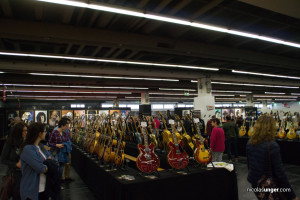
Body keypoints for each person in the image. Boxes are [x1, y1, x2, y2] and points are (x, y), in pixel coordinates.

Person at [247, 115, 298, 200]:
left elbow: (249, 164)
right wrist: (292, 195)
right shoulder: (272, 145)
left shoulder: (249, 142)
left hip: (255, 182)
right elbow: (280, 173)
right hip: (268, 184)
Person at [19, 122, 53, 200]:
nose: (45, 133)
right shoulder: (28, 149)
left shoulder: (41, 146)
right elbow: (40, 168)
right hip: (31, 190)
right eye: (44, 131)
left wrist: (46, 165)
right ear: (39, 133)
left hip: (43, 189)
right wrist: (48, 166)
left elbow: (52, 159)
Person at [1, 122, 28, 200]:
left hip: (25, 173)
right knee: (17, 195)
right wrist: (15, 164)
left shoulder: (25, 142)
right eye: (24, 131)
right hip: (14, 174)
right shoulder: (10, 143)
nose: (26, 133)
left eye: (27, 130)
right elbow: (3, 159)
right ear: (19, 132)